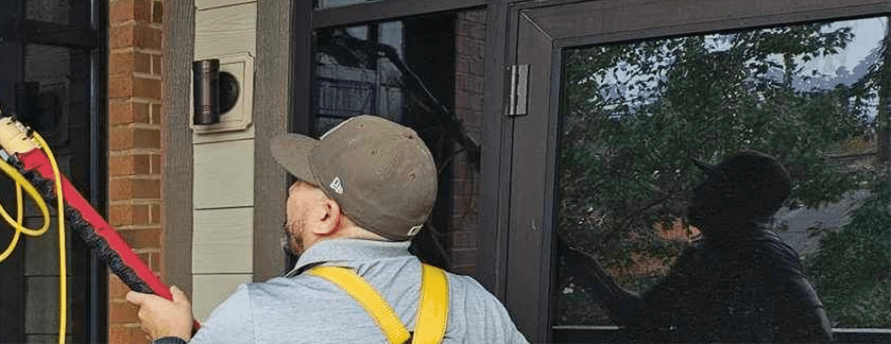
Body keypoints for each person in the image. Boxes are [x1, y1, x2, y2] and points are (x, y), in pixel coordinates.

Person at [126, 115, 527, 343]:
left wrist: (170, 337)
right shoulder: (477, 308)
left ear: (326, 215)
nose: (291, 190)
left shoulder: (257, 316)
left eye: (301, 181)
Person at [557, 150, 832, 343]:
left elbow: (814, 331)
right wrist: (589, 273)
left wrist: (591, 276)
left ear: (733, 199)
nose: (697, 191)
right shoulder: (710, 252)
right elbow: (644, 320)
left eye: (711, 184)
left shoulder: (764, 256)